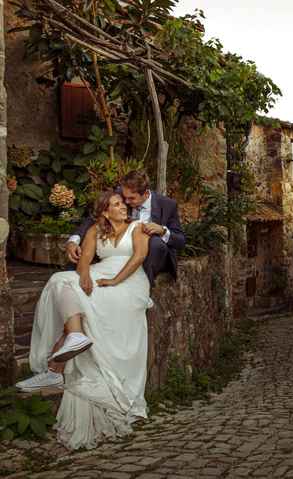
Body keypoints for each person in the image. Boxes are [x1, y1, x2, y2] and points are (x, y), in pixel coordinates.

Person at [16, 190, 153, 449]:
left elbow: (139, 258)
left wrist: (114, 280)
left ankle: (55, 369)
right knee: (59, 280)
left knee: (82, 298)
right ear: (105, 211)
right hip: (100, 274)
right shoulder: (94, 231)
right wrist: (83, 276)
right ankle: (76, 336)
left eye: (123, 203)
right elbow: (85, 261)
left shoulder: (138, 227)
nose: (123, 206)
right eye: (116, 204)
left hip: (129, 281)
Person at [66, 170, 186, 286]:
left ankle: (145, 283)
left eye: (131, 198)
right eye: (124, 197)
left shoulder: (167, 205)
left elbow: (180, 241)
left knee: (155, 243)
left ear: (145, 193)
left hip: (150, 255)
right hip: (118, 251)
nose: (126, 202)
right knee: (74, 266)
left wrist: (162, 230)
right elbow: (95, 216)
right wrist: (73, 240)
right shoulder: (122, 194)